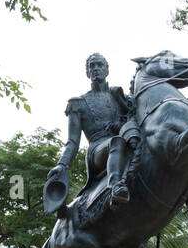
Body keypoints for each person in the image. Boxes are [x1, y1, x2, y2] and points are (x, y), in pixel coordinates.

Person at [45, 53, 141, 213]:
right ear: (87, 73)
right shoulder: (77, 103)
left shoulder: (119, 96)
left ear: (107, 69)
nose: (95, 69)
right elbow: (73, 142)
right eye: (92, 66)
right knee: (116, 142)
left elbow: (134, 117)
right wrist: (62, 165)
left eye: (99, 65)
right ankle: (116, 186)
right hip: (98, 150)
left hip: (123, 140)